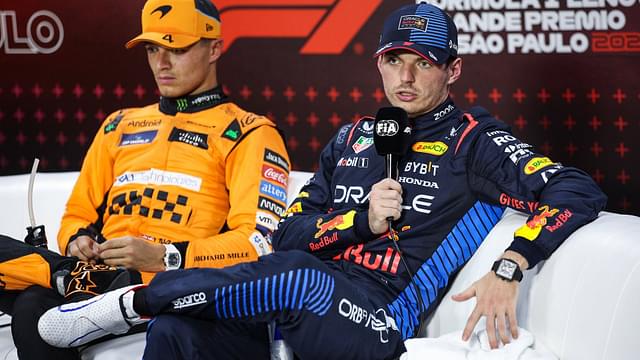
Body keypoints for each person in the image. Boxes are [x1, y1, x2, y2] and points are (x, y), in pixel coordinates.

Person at [37, 2, 606, 359]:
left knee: (299, 276)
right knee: (177, 336)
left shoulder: (472, 138)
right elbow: (287, 234)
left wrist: (511, 267)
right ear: (378, 63)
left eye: (424, 63)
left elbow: (576, 190)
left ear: (452, 69)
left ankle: (133, 302)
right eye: (393, 60)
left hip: (376, 320)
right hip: (291, 300)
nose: (405, 77)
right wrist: (362, 220)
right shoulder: (354, 136)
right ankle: (152, 313)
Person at [0, 0, 289, 358]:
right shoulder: (118, 124)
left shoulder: (250, 133)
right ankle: (68, 276)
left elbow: (258, 244)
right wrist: (78, 241)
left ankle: (84, 286)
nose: (161, 63)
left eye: (177, 49)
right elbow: (78, 214)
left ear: (214, 48)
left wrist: (165, 256)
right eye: (153, 49)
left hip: (178, 286)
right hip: (98, 278)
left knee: (40, 307)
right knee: (31, 307)